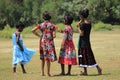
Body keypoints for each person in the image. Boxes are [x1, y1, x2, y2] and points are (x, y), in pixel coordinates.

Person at [76, 9, 102, 75]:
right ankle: (88, 71)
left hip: (83, 43)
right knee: (89, 57)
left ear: (81, 16)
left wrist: (78, 27)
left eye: (80, 16)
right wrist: (80, 23)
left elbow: (81, 34)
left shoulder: (82, 24)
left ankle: (96, 69)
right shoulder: (89, 23)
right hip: (87, 42)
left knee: (84, 57)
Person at [32, 11, 57, 76]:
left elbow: (33, 30)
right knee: (48, 58)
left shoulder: (41, 25)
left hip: (42, 42)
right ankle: (48, 73)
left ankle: (42, 72)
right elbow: (54, 35)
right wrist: (51, 37)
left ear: (43, 17)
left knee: (42, 57)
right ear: (50, 17)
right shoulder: (52, 25)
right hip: (49, 42)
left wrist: (39, 35)